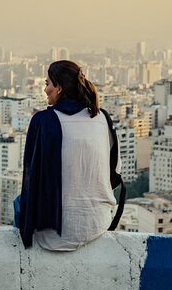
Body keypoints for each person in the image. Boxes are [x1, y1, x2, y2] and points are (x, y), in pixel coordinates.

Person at [17, 60, 123, 250]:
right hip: (99, 222)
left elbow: (31, 178)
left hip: (54, 234)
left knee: (18, 203)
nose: (45, 89)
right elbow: (115, 171)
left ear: (58, 87)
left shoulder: (43, 121)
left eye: (47, 83)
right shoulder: (102, 117)